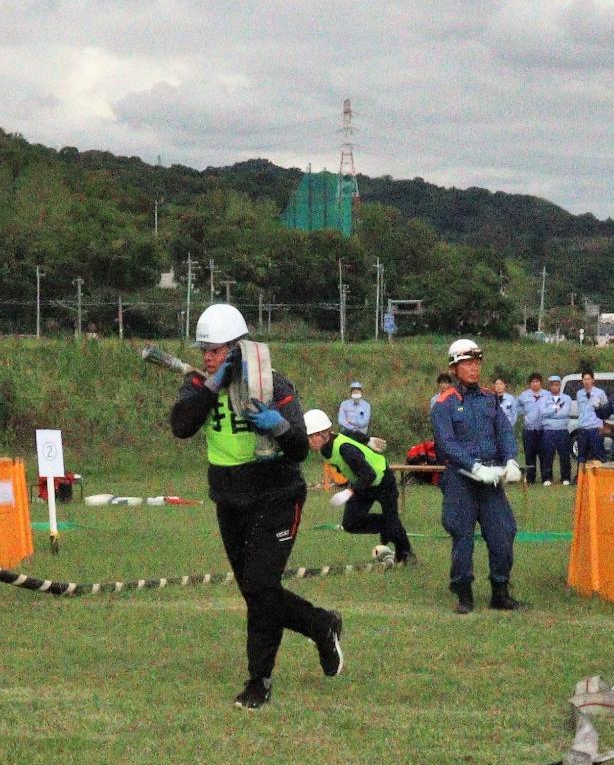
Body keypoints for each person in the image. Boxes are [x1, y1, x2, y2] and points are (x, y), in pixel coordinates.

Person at [169, 303, 342, 709]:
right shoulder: (199, 385)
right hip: (230, 501)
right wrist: (212, 385)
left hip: (277, 498)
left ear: (240, 348)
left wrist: (277, 426)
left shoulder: (274, 385)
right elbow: (181, 426)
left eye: (217, 350)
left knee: (262, 589)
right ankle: (321, 624)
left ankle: (258, 681)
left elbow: (300, 447)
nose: (208, 357)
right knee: (256, 592)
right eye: (204, 350)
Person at [431, 338, 520, 614]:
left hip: (491, 477)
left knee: (503, 532)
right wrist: (474, 467)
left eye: (476, 363)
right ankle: (464, 593)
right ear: (454, 368)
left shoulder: (489, 398)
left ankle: (500, 591)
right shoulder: (443, 404)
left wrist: (511, 460)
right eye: (467, 363)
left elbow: (504, 431)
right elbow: (446, 444)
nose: (473, 369)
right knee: (462, 535)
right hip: (461, 480)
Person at [306, 410, 413, 563]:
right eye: (308, 437)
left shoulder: (345, 450)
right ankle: (387, 524)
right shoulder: (326, 445)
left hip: (382, 481)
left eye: (312, 436)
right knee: (351, 523)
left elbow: (369, 475)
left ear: (325, 433)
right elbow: (349, 433)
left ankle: (406, 555)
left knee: (392, 524)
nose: (310, 442)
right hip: (362, 483)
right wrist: (367, 439)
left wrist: (348, 492)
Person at [537, 376, 576, 484]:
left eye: (557, 384)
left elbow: (565, 413)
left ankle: (566, 477)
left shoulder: (566, 398)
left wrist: (551, 413)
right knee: (547, 455)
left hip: (562, 430)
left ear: (559, 385)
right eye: (552, 384)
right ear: (550, 386)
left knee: (564, 455)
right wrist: (556, 408)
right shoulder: (544, 398)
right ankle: (547, 478)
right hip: (549, 430)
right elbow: (542, 412)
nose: (554, 387)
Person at [572, 370, 608, 467]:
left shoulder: (600, 393)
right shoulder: (579, 393)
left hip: (596, 428)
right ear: (582, 381)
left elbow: (605, 409)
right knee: (582, 455)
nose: (586, 381)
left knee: (598, 454)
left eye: (588, 379)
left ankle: (600, 476)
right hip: (583, 428)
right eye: (584, 379)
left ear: (593, 380)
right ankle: (580, 477)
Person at [515, 373, 546, 483]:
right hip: (529, 430)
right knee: (529, 454)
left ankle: (545, 478)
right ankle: (530, 478)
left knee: (544, 454)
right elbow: (516, 405)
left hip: (543, 429)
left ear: (541, 383)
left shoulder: (547, 395)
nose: (535, 384)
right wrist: (524, 413)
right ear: (530, 384)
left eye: (537, 381)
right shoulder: (524, 395)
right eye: (533, 382)